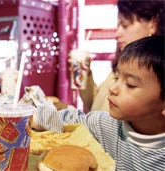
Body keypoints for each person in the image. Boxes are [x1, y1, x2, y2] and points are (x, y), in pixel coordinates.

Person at [34, 35, 165, 170]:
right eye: (116, 78)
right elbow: (67, 120)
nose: (112, 88)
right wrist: (32, 116)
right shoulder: (105, 125)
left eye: (130, 85)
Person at [79, 0, 165, 112]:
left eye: (125, 26)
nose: (117, 33)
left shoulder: (154, 71)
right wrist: (84, 73)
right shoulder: (124, 64)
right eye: (118, 25)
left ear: (153, 24)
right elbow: (96, 105)